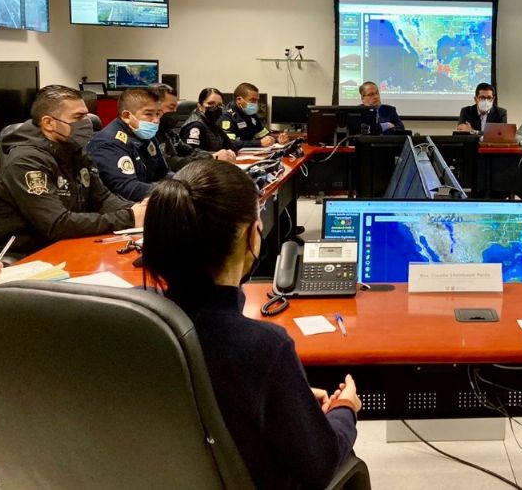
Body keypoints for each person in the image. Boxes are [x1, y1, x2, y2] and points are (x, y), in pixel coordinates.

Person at [142, 160, 359, 488]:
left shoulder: (137, 322)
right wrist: (345, 410)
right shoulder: (263, 346)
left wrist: (286, 400)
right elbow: (320, 466)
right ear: (251, 235)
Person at [0, 85, 145, 260]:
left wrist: (139, 210)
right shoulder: (26, 161)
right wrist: (129, 217)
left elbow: (101, 198)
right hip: (12, 256)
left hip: (58, 246)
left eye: (86, 115)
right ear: (48, 123)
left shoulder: (75, 151)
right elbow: (56, 225)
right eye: (78, 117)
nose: (87, 123)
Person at [87, 88, 171, 202]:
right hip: (121, 209)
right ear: (127, 116)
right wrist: (174, 192)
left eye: (157, 114)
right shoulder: (108, 142)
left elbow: (162, 174)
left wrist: (187, 183)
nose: (156, 120)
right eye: (149, 114)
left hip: (148, 201)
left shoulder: (146, 136)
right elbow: (128, 189)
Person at [150, 84, 233, 171]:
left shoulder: (168, 132)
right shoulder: (150, 134)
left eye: (176, 108)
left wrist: (216, 155)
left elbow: (189, 151)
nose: (175, 112)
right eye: (171, 107)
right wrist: (213, 157)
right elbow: (169, 163)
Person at [220, 83, 275, 149]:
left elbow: (263, 135)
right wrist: (259, 143)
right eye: (253, 100)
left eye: (257, 100)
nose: (256, 103)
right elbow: (229, 143)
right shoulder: (226, 116)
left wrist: (276, 139)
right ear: (239, 100)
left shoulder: (251, 114)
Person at [181, 88, 236, 152]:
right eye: (211, 103)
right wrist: (215, 156)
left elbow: (231, 147)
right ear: (200, 106)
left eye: (219, 105)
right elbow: (191, 154)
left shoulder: (212, 123)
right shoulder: (195, 126)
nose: (216, 108)